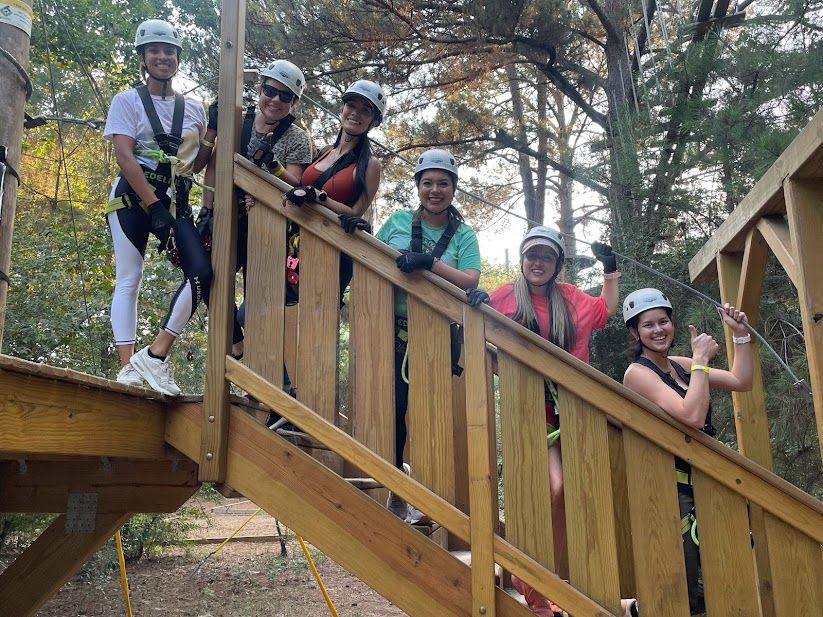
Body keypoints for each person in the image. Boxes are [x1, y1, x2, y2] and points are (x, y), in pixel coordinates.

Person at [488, 226, 620, 614]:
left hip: (574, 411)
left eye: (546, 256)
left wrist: (609, 269)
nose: (538, 262)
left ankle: (538, 581)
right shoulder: (505, 297)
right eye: (532, 255)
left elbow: (606, 310)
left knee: (566, 503)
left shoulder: (571, 298)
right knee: (553, 490)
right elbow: (477, 335)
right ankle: (530, 583)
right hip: (528, 412)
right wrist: (474, 308)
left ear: (557, 264)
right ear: (523, 259)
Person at [622, 288, 753, 615]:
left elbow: (741, 380)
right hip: (670, 485)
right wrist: (701, 361)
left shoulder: (681, 367)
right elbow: (691, 416)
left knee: (722, 566)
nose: (658, 330)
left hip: (706, 478)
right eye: (648, 325)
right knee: (687, 577)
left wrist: (741, 336)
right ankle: (634, 608)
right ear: (635, 333)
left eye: (663, 321)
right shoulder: (637, 374)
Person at [376, 148, 486, 523]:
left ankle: (429, 496)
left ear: (453, 189)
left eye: (443, 184)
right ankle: (397, 489)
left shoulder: (463, 235)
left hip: (437, 336)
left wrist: (429, 263)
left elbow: (470, 278)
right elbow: (370, 254)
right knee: (395, 413)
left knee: (429, 416)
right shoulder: (397, 222)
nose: (434, 190)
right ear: (418, 187)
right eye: (428, 183)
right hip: (393, 330)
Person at [104, 19, 213, 395]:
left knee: (201, 272)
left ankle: (154, 356)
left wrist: (211, 137)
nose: (162, 57)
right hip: (134, 198)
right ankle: (127, 368)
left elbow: (193, 164)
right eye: (155, 51)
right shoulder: (128, 100)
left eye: (169, 51)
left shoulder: (195, 108)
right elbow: (124, 155)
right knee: (129, 278)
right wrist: (154, 206)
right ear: (142, 57)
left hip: (176, 200)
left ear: (178, 58)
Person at [196, 59, 313, 360]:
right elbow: (212, 166)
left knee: (259, 299)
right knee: (207, 277)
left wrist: (271, 165)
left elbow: (296, 184)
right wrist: (207, 209)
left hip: (267, 222)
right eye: (270, 91)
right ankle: (237, 346)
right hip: (226, 214)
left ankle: (262, 372)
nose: (275, 100)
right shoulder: (238, 119)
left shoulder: (297, 137)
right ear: (260, 89)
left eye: (285, 96)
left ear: (294, 102)